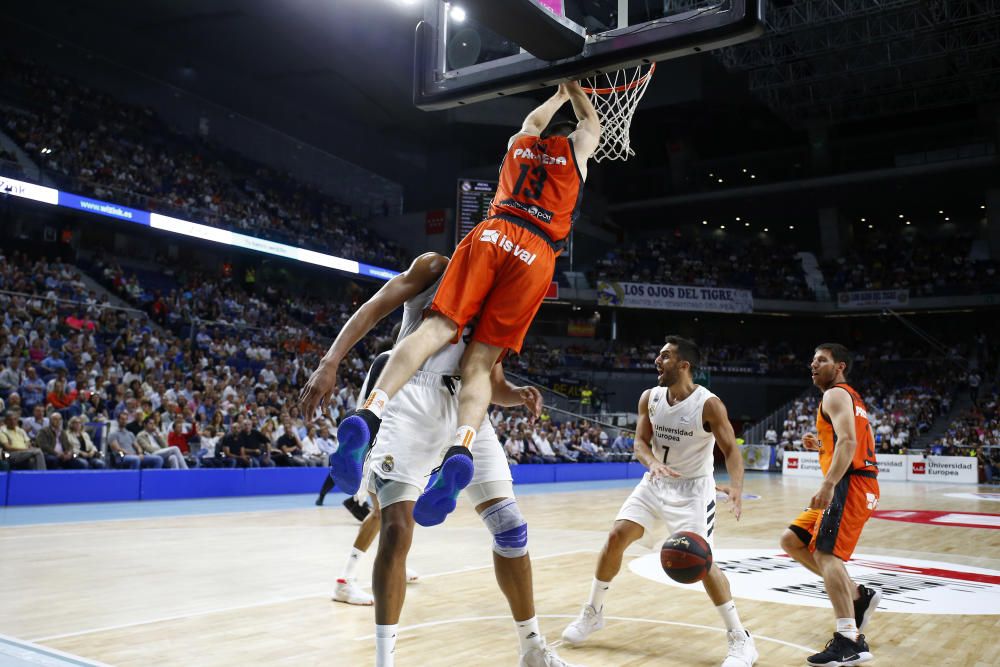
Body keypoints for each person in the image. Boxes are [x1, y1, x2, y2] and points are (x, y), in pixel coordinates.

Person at [330, 81, 601, 526]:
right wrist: (577, 85)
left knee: (434, 329)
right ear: (569, 137)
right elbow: (592, 122)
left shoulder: (522, 142)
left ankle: (370, 410)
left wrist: (558, 90)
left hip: (493, 232)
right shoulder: (575, 152)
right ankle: (462, 446)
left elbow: (535, 120)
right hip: (535, 253)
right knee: (480, 362)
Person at [300, 252, 578, 667]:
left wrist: (515, 395)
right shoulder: (437, 266)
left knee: (510, 528)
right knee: (395, 527)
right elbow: (373, 308)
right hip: (411, 392)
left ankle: (533, 649)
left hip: (467, 409)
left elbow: (490, 378)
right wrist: (330, 360)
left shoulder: (506, 296)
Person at [560, 336, 758, 667]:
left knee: (704, 564)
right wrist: (653, 464)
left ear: (684, 365)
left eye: (665, 356)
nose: (657, 360)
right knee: (616, 537)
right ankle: (593, 613)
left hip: (694, 490)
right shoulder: (649, 398)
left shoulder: (709, 405)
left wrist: (736, 486)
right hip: (655, 481)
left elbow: (731, 451)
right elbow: (639, 442)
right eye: (658, 355)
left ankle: (741, 639)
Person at [778, 344, 881, 667]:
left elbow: (850, 442)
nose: (813, 365)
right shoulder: (851, 397)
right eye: (812, 360)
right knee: (792, 540)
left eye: (821, 360)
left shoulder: (835, 394)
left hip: (850, 484)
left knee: (826, 554)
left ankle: (850, 640)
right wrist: (821, 443)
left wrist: (828, 484)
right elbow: (851, 439)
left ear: (840, 366)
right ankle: (855, 595)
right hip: (855, 481)